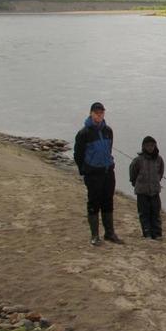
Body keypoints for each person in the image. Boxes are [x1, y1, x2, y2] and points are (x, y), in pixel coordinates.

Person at [73, 102, 123, 246]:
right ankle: (95, 236)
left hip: (108, 172)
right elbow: (78, 155)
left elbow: (109, 149)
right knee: (94, 203)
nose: (99, 115)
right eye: (96, 113)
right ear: (91, 113)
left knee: (108, 201)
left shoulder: (108, 131)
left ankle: (109, 233)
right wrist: (84, 171)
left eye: (101, 113)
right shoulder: (84, 133)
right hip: (93, 174)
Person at [129, 135, 164, 239]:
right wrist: (135, 183)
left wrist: (156, 182)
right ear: (143, 147)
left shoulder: (159, 159)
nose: (150, 148)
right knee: (144, 213)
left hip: (155, 191)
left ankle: (157, 233)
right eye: (148, 146)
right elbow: (132, 173)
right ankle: (147, 233)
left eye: (152, 145)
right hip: (142, 192)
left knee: (155, 213)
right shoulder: (138, 160)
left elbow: (161, 172)